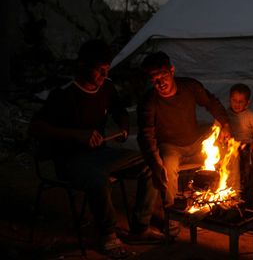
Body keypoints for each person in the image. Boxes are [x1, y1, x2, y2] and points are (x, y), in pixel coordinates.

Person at [29, 39, 164, 258]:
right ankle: (108, 236)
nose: (103, 75)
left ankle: (140, 228)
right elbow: (36, 128)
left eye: (106, 70)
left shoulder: (107, 87)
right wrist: (76, 134)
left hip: (101, 155)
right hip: (70, 160)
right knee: (97, 179)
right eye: (99, 70)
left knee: (150, 163)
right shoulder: (64, 95)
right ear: (83, 66)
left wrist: (123, 125)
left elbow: (119, 110)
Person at [137, 51, 231, 208]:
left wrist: (226, 125)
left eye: (163, 76)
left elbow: (211, 103)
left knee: (226, 144)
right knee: (166, 167)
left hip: (195, 141)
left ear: (172, 70)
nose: (161, 83)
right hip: (170, 147)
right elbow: (147, 135)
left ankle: (216, 204)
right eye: (155, 80)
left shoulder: (189, 86)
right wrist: (156, 163)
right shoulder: (149, 101)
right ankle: (172, 218)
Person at [226, 83, 253, 209]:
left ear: (247, 102)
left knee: (245, 171)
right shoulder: (225, 114)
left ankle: (245, 198)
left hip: (246, 146)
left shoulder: (251, 116)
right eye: (234, 100)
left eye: (241, 101)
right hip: (230, 147)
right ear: (229, 99)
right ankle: (229, 197)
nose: (237, 104)